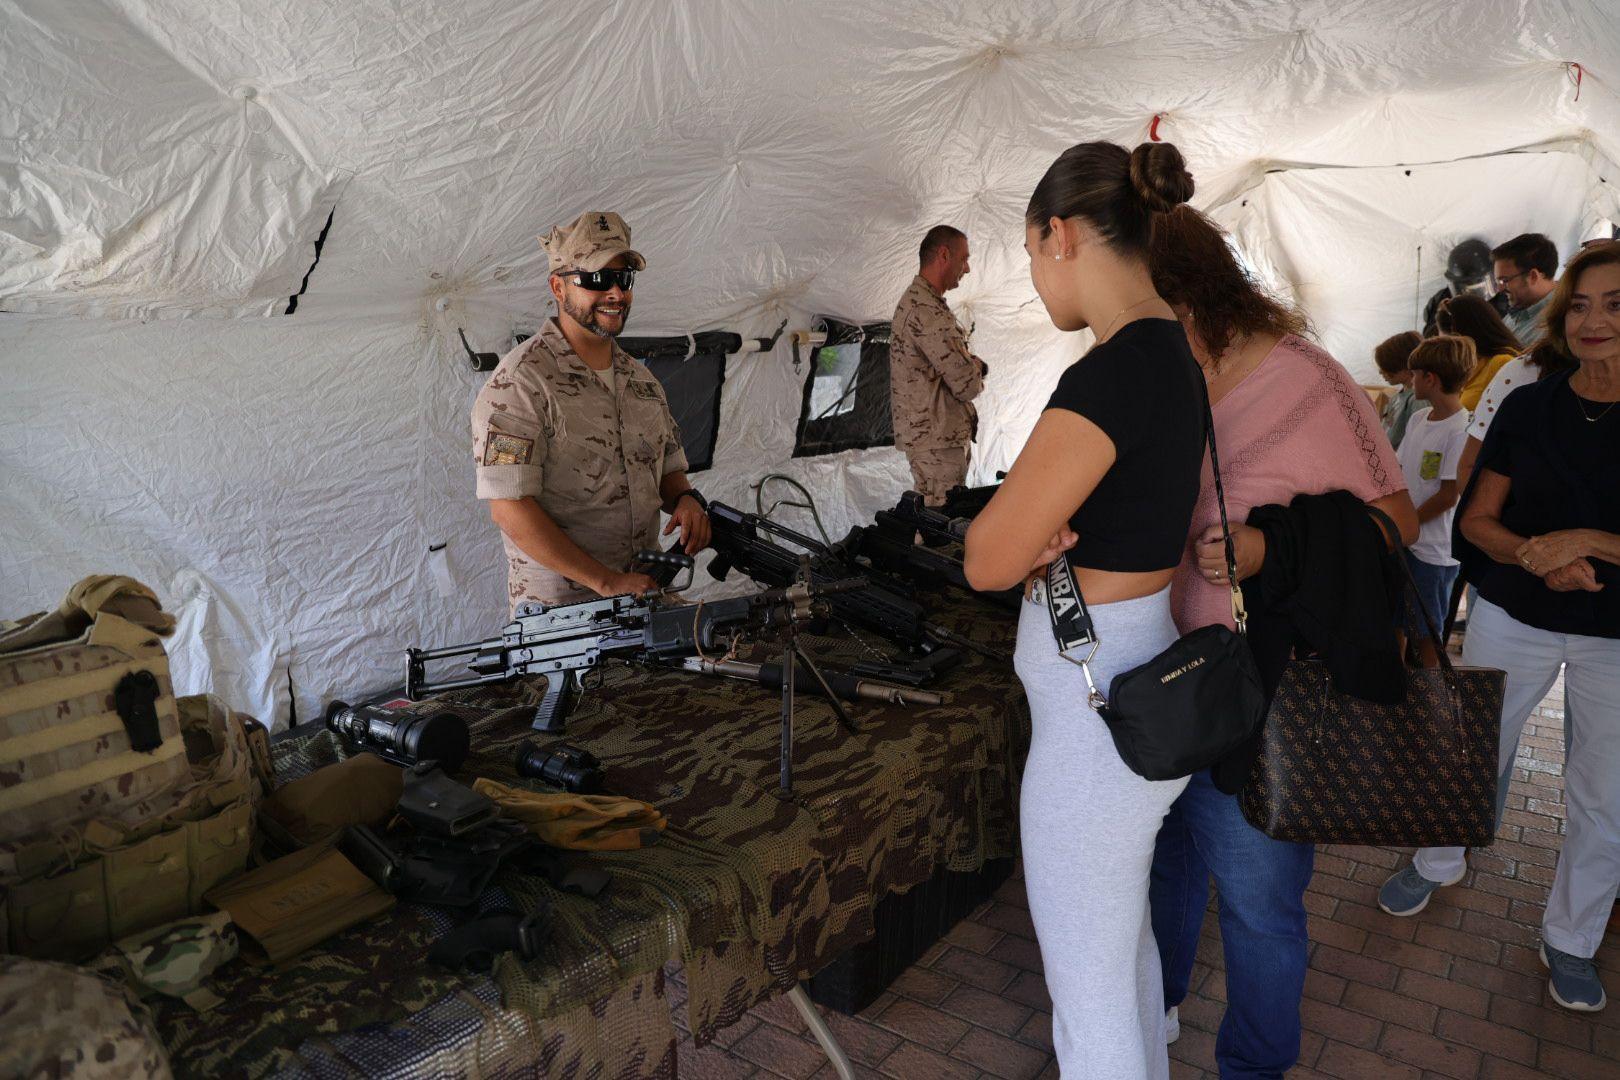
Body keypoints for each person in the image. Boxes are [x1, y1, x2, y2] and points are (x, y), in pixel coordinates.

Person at [1145, 205, 1417, 1080]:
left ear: (1191, 297)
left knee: (1261, 906)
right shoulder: (1147, 372)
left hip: (1258, 696)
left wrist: (1271, 547)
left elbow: (1397, 520)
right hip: (1154, 684)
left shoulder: (1306, 379)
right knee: (1167, 872)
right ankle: (1158, 1012)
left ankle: (1254, 1068)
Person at [961, 140, 1204, 1078]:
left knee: (1089, 992)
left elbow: (986, 558)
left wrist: (1026, 530)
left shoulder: (1113, 369)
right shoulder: (1169, 348)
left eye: (1028, 253)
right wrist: (1051, 529)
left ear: (1058, 234)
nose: (1033, 277)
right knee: (1120, 957)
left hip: (1096, 726)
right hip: (1127, 674)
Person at [1378, 241, 1620, 1013]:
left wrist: (1585, 542)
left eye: (1615, 305)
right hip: (1515, 612)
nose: (1593, 321)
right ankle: (1438, 857)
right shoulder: (1528, 402)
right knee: (1469, 744)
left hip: (1615, 636)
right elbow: (1478, 519)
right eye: (1579, 304)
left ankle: (1572, 939)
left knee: (1603, 793)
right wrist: (1535, 556)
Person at [471, 211, 710, 613]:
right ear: (558, 288)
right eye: (598, 279)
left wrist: (686, 499)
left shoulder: (641, 383)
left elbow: (667, 469)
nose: (616, 293)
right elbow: (509, 506)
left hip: (642, 596)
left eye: (625, 278)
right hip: (564, 618)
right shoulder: (520, 385)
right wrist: (606, 582)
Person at [889, 225, 987, 506]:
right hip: (936, 442)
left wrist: (970, 365)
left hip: (937, 439)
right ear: (944, 255)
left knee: (935, 518)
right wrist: (977, 368)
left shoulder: (927, 303)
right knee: (939, 528)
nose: (966, 268)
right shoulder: (925, 310)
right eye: (964, 259)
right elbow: (966, 384)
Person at [1393, 335, 1474, 667]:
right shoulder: (1417, 420)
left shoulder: (1460, 430)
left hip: (1434, 550)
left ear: (1431, 379)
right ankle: (1393, 683)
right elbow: (1401, 471)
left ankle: (1429, 696)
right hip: (1408, 540)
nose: (1410, 380)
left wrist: (1406, 523)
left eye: (1415, 374)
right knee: (1397, 617)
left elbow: (1447, 495)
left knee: (1427, 629)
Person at [1434, 293, 1522, 412]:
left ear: (1460, 336)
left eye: (1446, 343)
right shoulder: (1470, 368)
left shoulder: (1502, 363)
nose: (1446, 350)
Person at [1491, 233, 1560, 344]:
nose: (1500, 289)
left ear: (1533, 276)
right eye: (1499, 282)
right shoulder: (1519, 311)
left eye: (1505, 280)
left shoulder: (1554, 328)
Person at [1423, 238, 1496, 336]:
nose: (1471, 296)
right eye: (1465, 288)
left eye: (1475, 288)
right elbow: (1430, 335)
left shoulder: (1502, 300)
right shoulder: (1442, 301)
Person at [1373, 330, 1422, 449]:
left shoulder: (1418, 401)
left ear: (1405, 367)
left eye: (1386, 366)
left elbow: (1417, 443)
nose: (1380, 371)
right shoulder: (1399, 395)